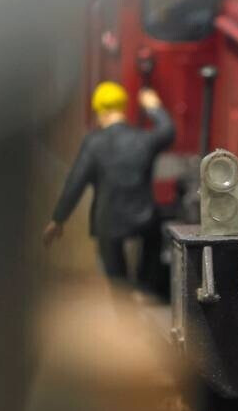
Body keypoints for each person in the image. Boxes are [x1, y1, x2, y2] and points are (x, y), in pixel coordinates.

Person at [43, 81, 175, 289]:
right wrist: (154, 107)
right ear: (123, 107)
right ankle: (146, 286)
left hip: (108, 221)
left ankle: (121, 293)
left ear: (100, 112)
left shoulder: (93, 143)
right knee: (153, 235)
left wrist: (58, 219)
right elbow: (167, 131)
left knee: (116, 276)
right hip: (143, 217)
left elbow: (76, 182)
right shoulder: (143, 139)